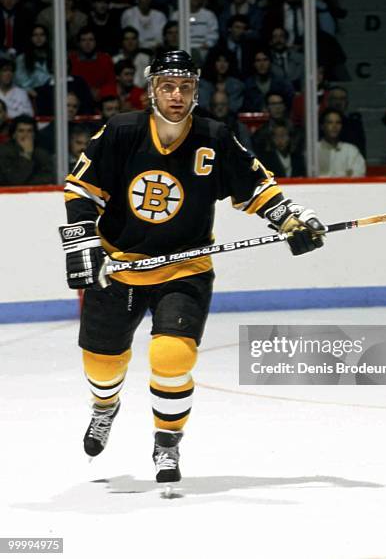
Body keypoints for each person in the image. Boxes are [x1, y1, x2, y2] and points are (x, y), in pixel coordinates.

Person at [58, 49, 325, 483]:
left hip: (185, 268)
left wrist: (291, 218)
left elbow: (256, 186)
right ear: (152, 91)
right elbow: (81, 190)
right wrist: (86, 242)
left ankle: (167, 444)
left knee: (172, 355)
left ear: (196, 91)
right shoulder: (122, 131)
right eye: (167, 86)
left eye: (184, 87)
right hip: (121, 265)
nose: (176, 95)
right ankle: (105, 406)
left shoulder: (214, 137)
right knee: (101, 365)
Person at [0, 114, 53, 184]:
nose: (25, 135)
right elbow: (14, 179)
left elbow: (48, 178)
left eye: (29, 131)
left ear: (34, 134)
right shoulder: (3, 151)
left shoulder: (42, 153)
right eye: (21, 131)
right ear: (14, 135)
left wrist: (26, 182)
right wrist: (27, 155)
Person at [318, 108, 366, 177]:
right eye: (330, 122)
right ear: (322, 126)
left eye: (338, 123)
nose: (334, 126)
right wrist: (344, 174)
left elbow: (359, 175)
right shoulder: (313, 150)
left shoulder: (352, 150)